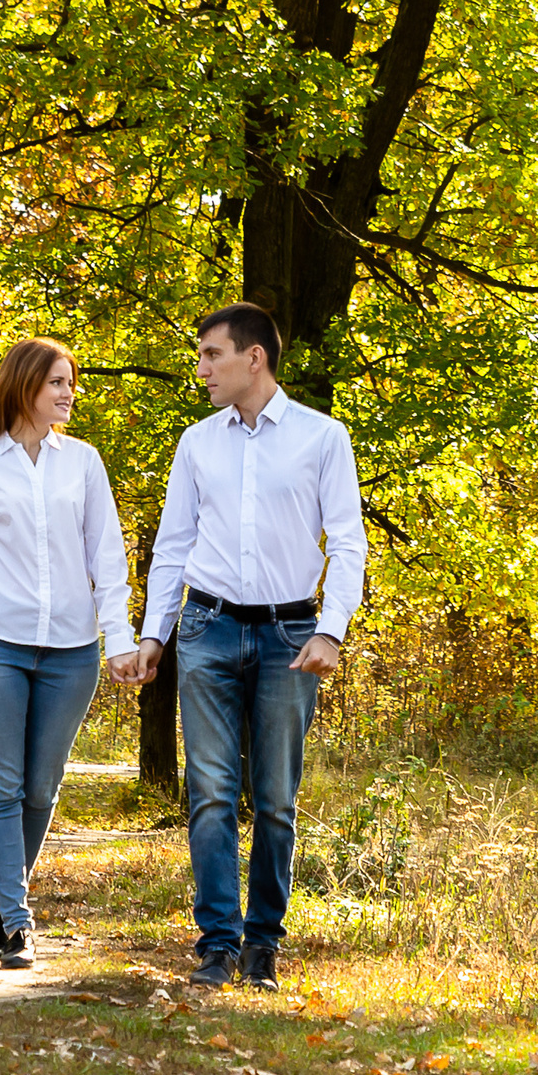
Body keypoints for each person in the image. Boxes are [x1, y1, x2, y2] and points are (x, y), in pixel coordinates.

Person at [136, 304, 365, 991]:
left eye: (211, 354)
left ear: (254, 357)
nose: (201, 368)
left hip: (292, 635)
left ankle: (263, 945)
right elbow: (172, 546)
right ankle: (216, 942)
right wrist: (155, 633)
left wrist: (332, 628)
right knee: (208, 790)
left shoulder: (323, 438)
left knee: (274, 797)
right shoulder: (196, 442)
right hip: (207, 627)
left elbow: (348, 542)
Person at [0, 337, 144, 969]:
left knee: (41, 789)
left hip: (72, 649)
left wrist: (120, 638)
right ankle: (19, 922)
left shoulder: (83, 462)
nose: (68, 393)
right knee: (0, 787)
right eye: (57, 382)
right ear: (25, 387)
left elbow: (107, 556)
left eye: (70, 382)